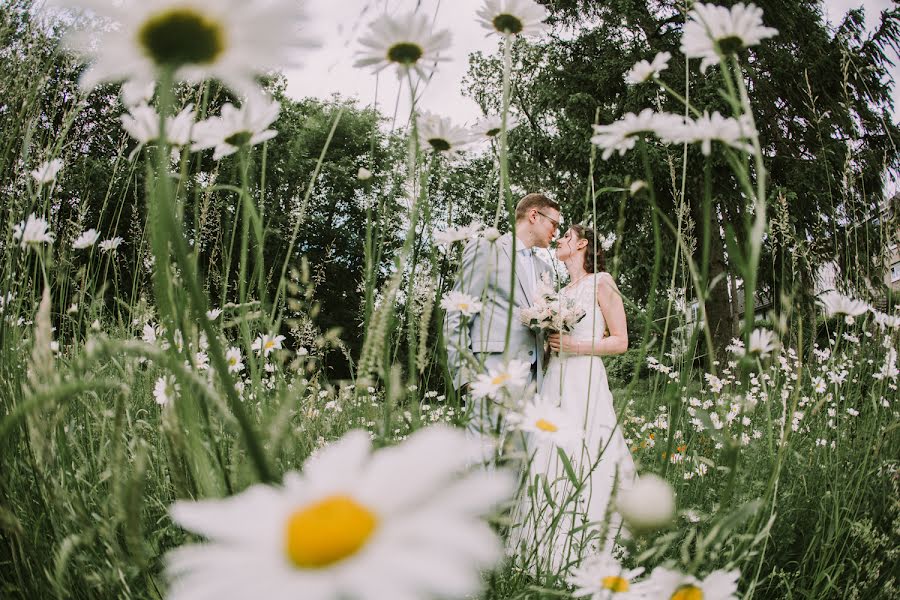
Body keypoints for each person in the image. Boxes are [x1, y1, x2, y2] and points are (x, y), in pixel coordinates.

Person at [510, 223, 635, 574]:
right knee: (550, 452)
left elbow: (621, 341)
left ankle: (593, 544)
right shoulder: (560, 291)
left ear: (582, 244)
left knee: (586, 450)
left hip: (585, 378)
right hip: (556, 378)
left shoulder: (602, 282)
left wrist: (575, 346)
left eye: (565, 236)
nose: (560, 240)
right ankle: (544, 541)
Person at [443, 193, 561, 457]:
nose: (556, 231)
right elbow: (457, 312)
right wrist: (464, 377)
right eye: (554, 223)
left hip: (534, 383)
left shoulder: (546, 270)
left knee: (518, 467)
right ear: (534, 216)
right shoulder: (487, 248)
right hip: (490, 375)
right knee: (482, 463)